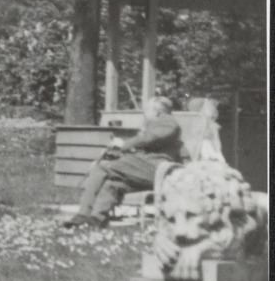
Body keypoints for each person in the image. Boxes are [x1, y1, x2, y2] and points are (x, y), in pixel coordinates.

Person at [64, 95, 186, 229]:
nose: (144, 114)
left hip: (155, 170)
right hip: (144, 169)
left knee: (102, 167)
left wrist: (124, 144)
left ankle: (83, 214)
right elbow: (147, 144)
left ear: (157, 112)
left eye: (147, 110)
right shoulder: (156, 124)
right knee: (112, 183)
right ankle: (96, 219)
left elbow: (150, 138)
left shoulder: (168, 121)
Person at [187, 97, 226, 163]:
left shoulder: (211, 124)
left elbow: (216, 140)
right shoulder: (192, 122)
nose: (212, 110)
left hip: (208, 150)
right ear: (199, 109)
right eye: (207, 108)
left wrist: (219, 152)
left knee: (206, 144)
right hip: (194, 149)